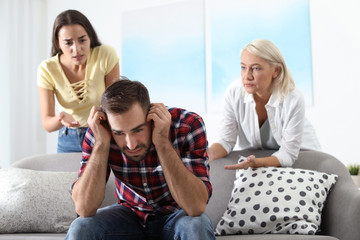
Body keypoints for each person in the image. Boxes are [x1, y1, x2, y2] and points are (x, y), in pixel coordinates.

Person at [66, 79, 215, 239]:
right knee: (81, 227)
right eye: (119, 133)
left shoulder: (188, 125)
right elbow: (84, 209)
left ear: (150, 116)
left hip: (176, 215)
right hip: (128, 216)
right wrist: (102, 143)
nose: (130, 144)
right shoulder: (100, 131)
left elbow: (196, 207)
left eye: (137, 130)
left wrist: (163, 142)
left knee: (196, 225)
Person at [208, 39, 320, 170]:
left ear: (276, 71)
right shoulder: (234, 93)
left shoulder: (293, 98)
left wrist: (257, 163)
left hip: (302, 156)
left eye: (256, 68)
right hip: (258, 159)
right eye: (243, 67)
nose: (247, 76)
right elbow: (226, 141)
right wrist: (205, 156)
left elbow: (288, 154)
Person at [37, 9, 120, 153]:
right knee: (66, 177)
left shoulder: (106, 55)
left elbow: (114, 105)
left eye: (82, 40)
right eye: (68, 43)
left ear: (90, 37)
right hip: (68, 138)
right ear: (58, 43)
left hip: (102, 132)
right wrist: (60, 119)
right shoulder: (47, 69)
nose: (77, 49)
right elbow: (47, 123)